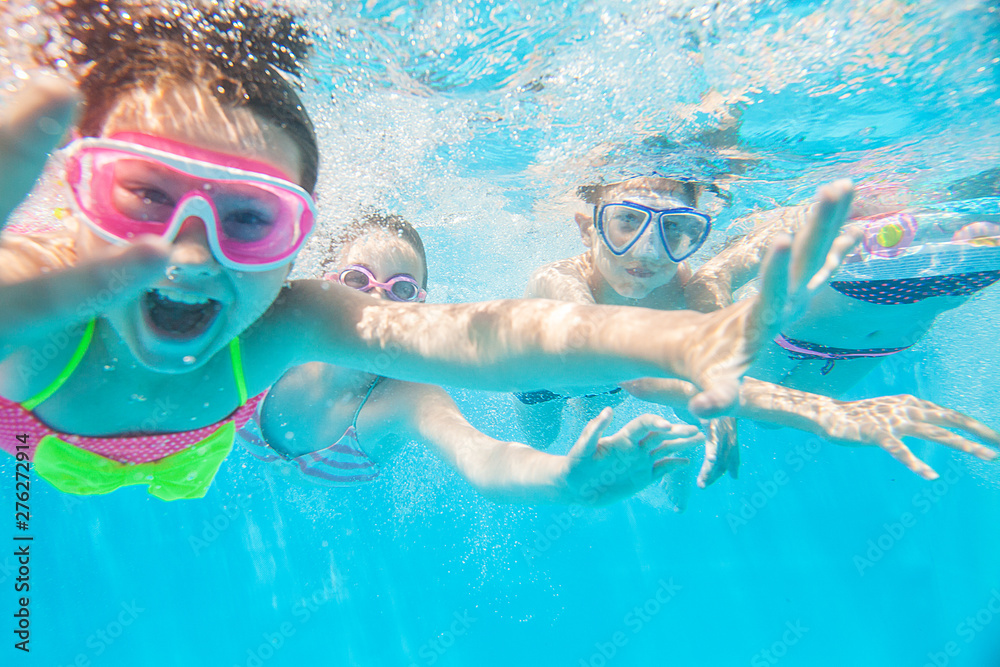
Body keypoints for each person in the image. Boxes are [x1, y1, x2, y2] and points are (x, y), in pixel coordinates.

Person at [0, 0, 826, 501]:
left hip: (193, 457)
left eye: (252, 219)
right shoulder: (35, 301)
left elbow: (474, 337)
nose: (189, 253)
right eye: (143, 194)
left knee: (174, 481)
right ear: (74, 192)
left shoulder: (286, 323)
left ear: (295, 248)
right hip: (53, 456)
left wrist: (685, 337)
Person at [518, 176, 999, 483]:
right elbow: (626, 362)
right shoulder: (558, 280)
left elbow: (700, 360)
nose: (648, 252)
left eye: (675, 231)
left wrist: (718, 396)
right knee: (542, 441)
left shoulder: (683, 285)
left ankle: (597, 431)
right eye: (626, 222)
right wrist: (814, 411)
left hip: (612, 385)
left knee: (597, 411)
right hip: (543, 384)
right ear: (588, 228)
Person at [238, 212, 704, 505]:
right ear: (325, 280)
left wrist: (563, 478)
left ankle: (593, 397)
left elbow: (479, 455)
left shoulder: (408, 398)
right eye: (358, 280)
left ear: (422, 306)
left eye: (400, 290)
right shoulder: (275, 333)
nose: (374, 305)